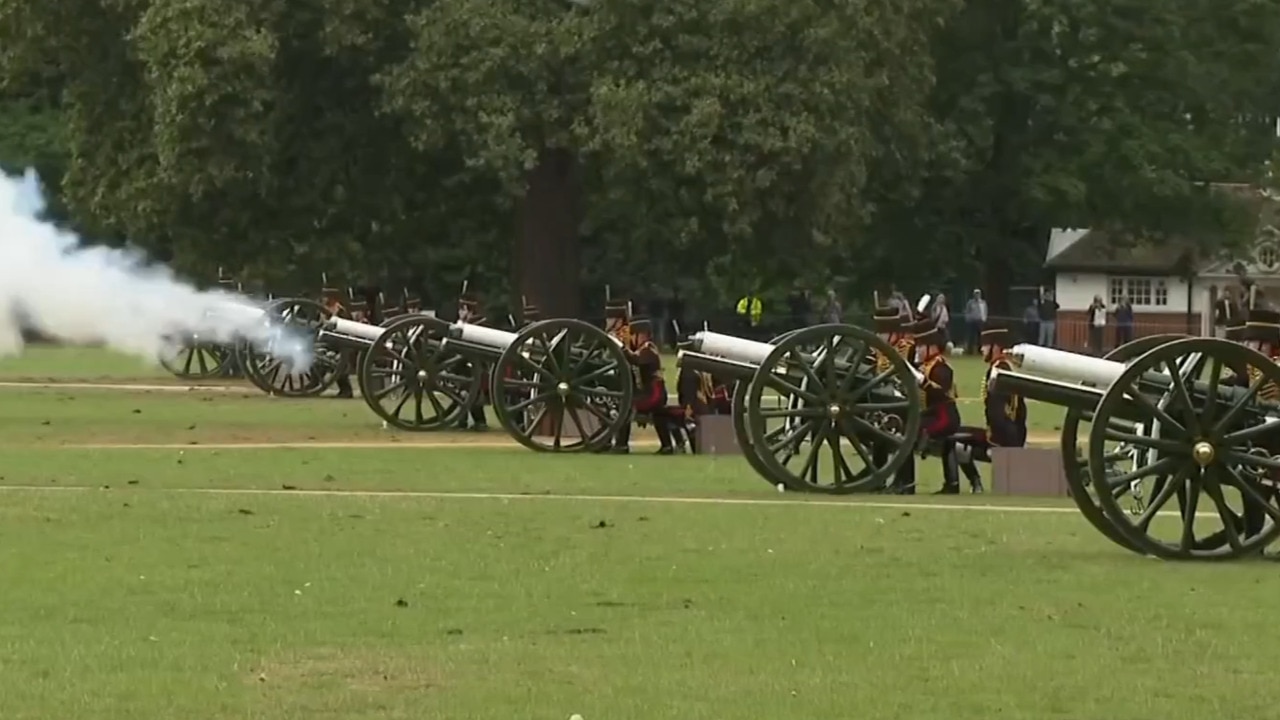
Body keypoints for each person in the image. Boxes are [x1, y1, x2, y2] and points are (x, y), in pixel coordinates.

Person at [910, 316, 962, 494]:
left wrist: (923, 382)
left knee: (912, 432)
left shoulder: (941, 367)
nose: (917, 350)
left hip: (945, 417)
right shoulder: (926, 365)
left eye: (920, 346)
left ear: (930, 346)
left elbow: (941, 392)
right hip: (933, 414)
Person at [615, 317, 674, 454]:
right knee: (657, 416)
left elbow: (635, 360)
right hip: (652, 392)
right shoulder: (646, 348)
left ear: (641, 335)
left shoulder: (648, 349)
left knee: (626, 408)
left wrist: (622, 348)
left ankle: (621, 445)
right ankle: (667, 446)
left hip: (653, 394)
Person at [455, 291, 490, 431]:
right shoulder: (462, 324)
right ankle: (465, 420)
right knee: (464, 391)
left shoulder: (478, 324)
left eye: (462, 309)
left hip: (477, 367)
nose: (459, 312)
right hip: (464, 367)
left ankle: (478, 421)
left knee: (469, 391)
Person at [320, 285, 355, 399]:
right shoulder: (322, 309)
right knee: (319, 361)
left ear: (333, 298)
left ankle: (346, 390)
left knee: (338, 363)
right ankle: (314, 383)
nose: (324, 299)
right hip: (329, 343)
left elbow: (348, 329)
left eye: (326, 297)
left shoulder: (341, 311)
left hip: (342, 344)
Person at [963, 290, 988, 355]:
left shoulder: (983, 302)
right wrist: (968, 319)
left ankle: (980, 350)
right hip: (972, 321)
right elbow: (967, 311)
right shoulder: (970, 302)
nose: (977, 295)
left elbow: (985, 311)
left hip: (980, 321)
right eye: (976, 294)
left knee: (980, 336)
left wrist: (984, 319)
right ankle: (969, 350)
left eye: (978, 294)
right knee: (971, 336)